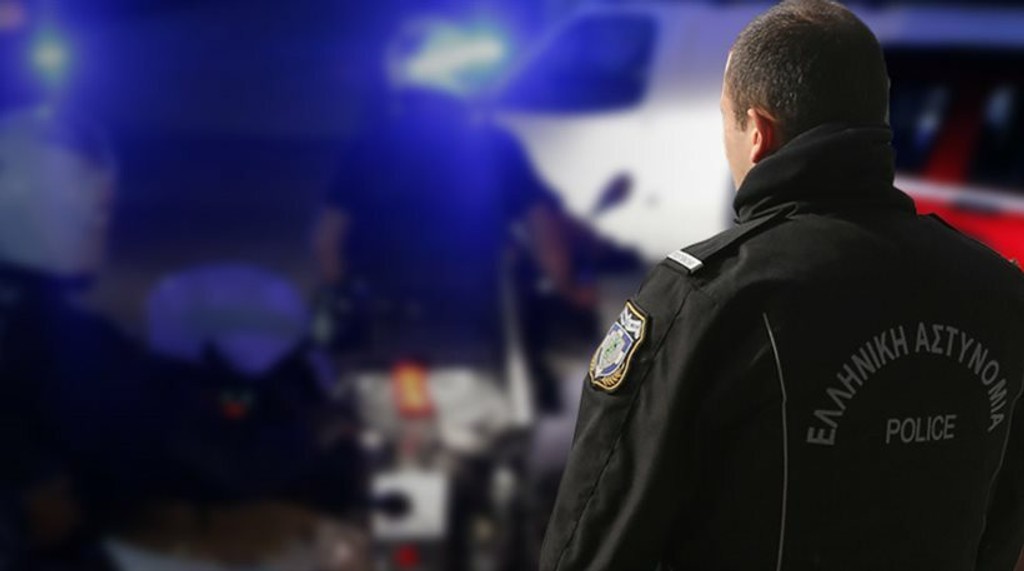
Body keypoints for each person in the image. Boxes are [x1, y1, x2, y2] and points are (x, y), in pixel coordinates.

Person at [539, 1, 1024, 569]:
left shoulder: (708, 301)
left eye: (727, 121)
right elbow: (1002, 533)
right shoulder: (1001, 293)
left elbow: (592, 547)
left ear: (759, 133)